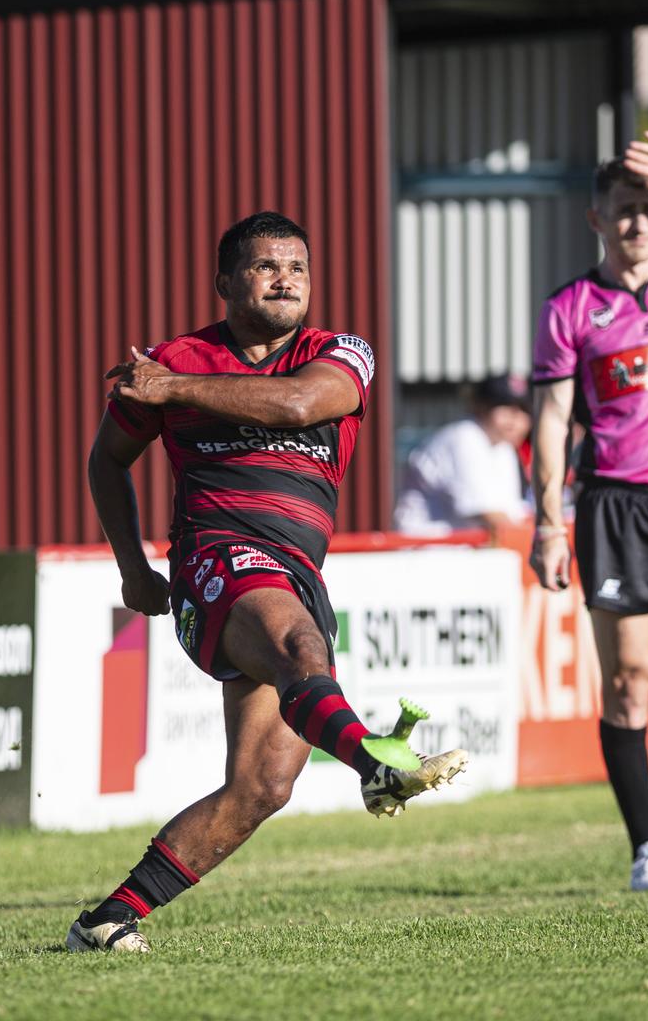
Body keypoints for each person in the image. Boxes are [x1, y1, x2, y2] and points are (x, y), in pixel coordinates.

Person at [66, 211, 468, 953]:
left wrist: (173, 387)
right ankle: (376, 762)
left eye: (298, 268)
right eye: (265, 266)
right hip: (214, 561)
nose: (286, 279)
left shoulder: (339, 353)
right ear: (225, 282)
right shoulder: (174, 358)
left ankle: (106, 919)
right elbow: (106, 458)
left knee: (263, 785)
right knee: (298, 648)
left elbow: (300, 404)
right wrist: (133, 568)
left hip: (296, 571)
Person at [529, 154, 648, 892]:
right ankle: (646, 847)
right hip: (614, 502)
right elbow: (549, 422)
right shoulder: (570, 307)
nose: (638, 222)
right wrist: (548, 523)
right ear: (596, 218)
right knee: (630, 683)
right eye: (624, 208)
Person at [394, 373, 532, 538]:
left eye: (524, 409)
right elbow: (491, 516)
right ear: (481, 407)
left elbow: (512, 514)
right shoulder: (464, 437)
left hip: (458, 552)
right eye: (505, 406)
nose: (515, 418)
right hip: (422, 551)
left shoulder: (503, 447)